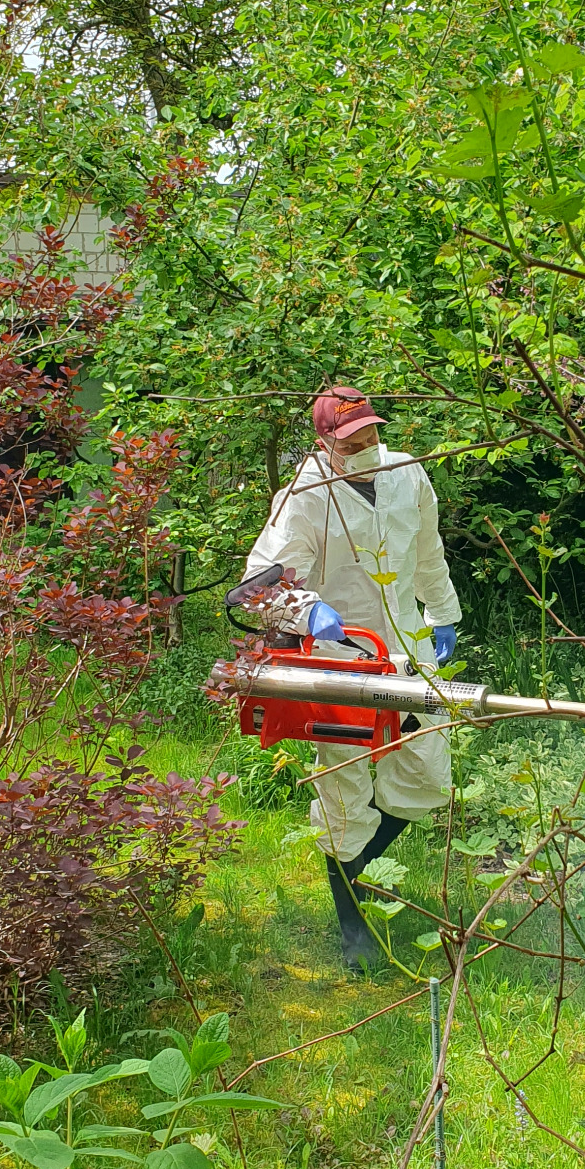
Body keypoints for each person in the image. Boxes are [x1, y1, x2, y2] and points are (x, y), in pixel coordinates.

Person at [233, 387, 460, 969]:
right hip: (339, 661)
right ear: (323, 443)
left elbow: (429, 551)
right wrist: (305, 610)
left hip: (408, 647)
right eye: (350, 441)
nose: (364, 447)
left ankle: (360, 875)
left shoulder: (407, 474)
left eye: (370, 435)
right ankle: (353, 926)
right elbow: (260, 588)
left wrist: (444, 613)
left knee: (427, 778)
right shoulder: (303, 497)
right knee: (343, 789)